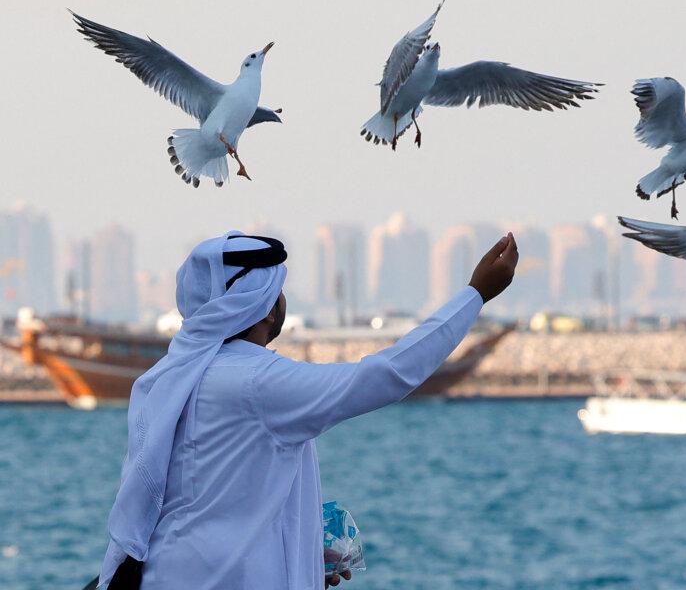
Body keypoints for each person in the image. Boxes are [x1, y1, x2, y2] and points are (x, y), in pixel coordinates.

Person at [94, 230, 518, 589]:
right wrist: (475, 294)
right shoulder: (258, 381)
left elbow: (205, 495)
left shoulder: (163, 378)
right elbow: (388, 374)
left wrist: (304, 547)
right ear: (262, 304)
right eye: (277, 291)